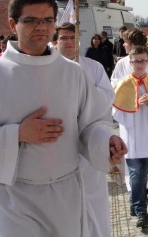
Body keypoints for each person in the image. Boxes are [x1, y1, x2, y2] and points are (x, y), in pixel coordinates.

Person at [0, 0, 127, 237]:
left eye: (47, 20)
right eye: (31, 21)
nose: (40, 27)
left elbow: (92, 123)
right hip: (12, 196)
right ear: (13, 24)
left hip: (64, 193)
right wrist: (17, 134)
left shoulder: (72, 72)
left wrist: (106, 141)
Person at [53, 23, 113, 237]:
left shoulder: (93, 68)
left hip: (89, 140)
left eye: (72, 38)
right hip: (60, 144)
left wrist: (84, 92)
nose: (69, 42)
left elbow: (107, 96)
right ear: (55, 42)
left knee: (93, 200)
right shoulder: (49, 68)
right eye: (64, 38)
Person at [113, 46, 148, 229]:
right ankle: (141, 211)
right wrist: (135, 106)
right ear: (130, 62)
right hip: (131, 135)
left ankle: (134, 203)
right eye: (136, 61)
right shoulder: (124, 84)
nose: (140, 64)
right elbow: (116, 112)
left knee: (144, 172)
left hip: (147, 134)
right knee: (136, 173)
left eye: (143, 61)